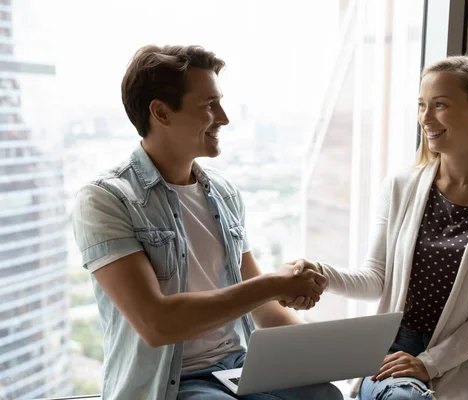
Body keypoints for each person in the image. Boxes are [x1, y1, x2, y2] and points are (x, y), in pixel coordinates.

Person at [72, 44, 343, 400]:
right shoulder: (106, 199)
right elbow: (157, 324)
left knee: (325, 395)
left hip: (237, 366)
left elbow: (263, 307)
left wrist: (326, 351)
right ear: (161, 112)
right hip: (172, 383)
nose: (224, 117)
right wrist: (274, 283)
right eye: (208, 105)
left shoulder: (223, 191)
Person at [286, 55, 468, 400]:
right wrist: (321, 273)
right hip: (394, 351)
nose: (425, 118)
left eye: (440, 105)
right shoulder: (400, 187)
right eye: (422, 105)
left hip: (467, 358)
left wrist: (430, 362)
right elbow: (377, 279)